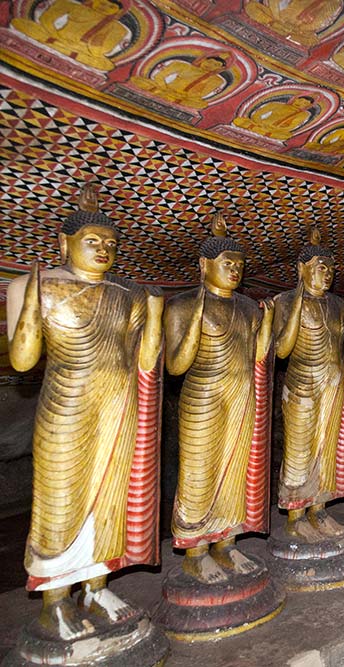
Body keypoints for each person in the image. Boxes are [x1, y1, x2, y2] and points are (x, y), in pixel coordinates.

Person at [6, 186, 162, 639]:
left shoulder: (127, 294)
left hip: (119, 407)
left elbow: (146, 359)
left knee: (109, 498)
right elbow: (22, 361)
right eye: (92, 241)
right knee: (60, 499)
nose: (104, 249)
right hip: (66, 406)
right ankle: (55, 599)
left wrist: (153, 314)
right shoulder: (36, 286)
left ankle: (96, 588)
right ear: (64, 243)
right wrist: (33, 297)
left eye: (111, 243)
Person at [164, 214, 274, 584]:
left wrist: (267, 324)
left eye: (239, 264)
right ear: (204, 264)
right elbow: (176, 366)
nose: (235, 270)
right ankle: (195, 551)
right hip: (203, 395)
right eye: (227, 262)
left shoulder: (247, 307)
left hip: (242, 395)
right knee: (199, 471)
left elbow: (259, 357)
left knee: (235, 470)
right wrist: (196, 317)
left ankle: (227, 542)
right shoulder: (182, 305)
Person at [272, 230, 344, 540]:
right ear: (302, 269)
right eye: (321, 267)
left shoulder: (337, 305)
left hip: (332, 385)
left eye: (331, 269)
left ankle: (319, 510)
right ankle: (296, 515)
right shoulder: (285, 301)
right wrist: (297, 302)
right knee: (299, 451)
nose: (328, 274)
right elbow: (281, 350)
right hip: (302, 386)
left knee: (326, 449)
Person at [12, 0, 130, 71]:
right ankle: (62, 49)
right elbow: (46, 19)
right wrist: (54, 35)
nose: (104, 7)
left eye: (111, 7)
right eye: (102, 3)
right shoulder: (71, 5)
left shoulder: (118, 29)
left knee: (106, 65)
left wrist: (96, 44)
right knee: (19, 23)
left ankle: (57, 47)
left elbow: (100, 51)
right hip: (55, 36)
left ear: (118, 11)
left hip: (81, 49)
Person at [132, 53, 231, 109]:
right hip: (164, 88)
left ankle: (166, 96)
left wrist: (183, 95)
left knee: (202, 104)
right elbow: (159, 76)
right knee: (137, 80)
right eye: (210, 62)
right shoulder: (183, 66)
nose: (210, 65)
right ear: (203, 60)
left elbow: (201, 94)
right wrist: (164, 88)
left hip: (184, 97)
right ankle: (164, 94)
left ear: (219, 69)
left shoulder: (216, 80)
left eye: (216, 65)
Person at [244, 0, 343, 45]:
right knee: (252, 6)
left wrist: (314, 9)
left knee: (311, 40)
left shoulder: (335, 3)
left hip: (297, 31)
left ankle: (283, 33)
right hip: (274, 18)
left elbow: (315, 25)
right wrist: (271, 22)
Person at [233, 95, 315, 140]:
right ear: (295, 99)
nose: (300, 103)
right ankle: (262, 132)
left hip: (275, 130)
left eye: (305, 103)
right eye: (300, 100)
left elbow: (291, 127)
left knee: (286, 136)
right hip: (259, 124)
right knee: (239, 120)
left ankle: (259, 131)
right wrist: (260, 123)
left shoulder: (303, 115)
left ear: (308, 106)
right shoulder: (277, 104)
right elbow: (257, 114)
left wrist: (274, 128)